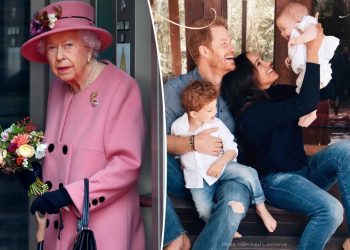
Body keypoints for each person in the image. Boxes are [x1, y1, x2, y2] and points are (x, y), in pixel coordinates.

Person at [20, 1, 145, 249]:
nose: (59, 57)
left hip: (101, 227)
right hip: (60, 227)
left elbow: (127, 165)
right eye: (52, 48)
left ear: (89, 47)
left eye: (68, 45)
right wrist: (35, 171)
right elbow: (58, 150)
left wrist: (69, 195)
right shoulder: (58, 87)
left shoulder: (121, 87)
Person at [222, 24, 350, 250]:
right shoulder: (251, 114)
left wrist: (304, 66)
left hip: (305, 170)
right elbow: (305, 103)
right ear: (245, 79)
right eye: (259, 64)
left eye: (262, 59)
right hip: (277, 181)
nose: (268, 62)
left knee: (346, 152)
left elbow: (325, 92)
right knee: (331, 211)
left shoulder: (276, 94)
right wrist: (311, 49)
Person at [164, 16, 251, 250]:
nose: (232, 47)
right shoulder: (174, 90)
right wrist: (194, 143)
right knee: (147, 160)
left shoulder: (237, 87)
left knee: (234, 205)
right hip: (188, 176)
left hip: (226, 173)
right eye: (224, 43)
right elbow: (155, 142)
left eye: (230, 42)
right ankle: (174, 237)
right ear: (204, 50)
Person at [171, 80, 276, 232]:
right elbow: (177, 151)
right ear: (194, 113)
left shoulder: (217, 124)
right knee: (203, 210)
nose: (214, 112)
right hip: (197, 179)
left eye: (215, 107)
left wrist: (220, 164)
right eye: (209, 110)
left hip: (222, 166)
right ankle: (221, 226)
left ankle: (260, 206)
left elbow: (232, 148)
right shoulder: (178, 127)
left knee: (249, 173)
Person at [276, 2, 339, 127]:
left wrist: (297, 40)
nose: (282, 34)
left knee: (309, 89)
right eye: (280, 31)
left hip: (318, 66)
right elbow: (301, 51)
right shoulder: (298, 33)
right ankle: (311, 112)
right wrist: (290, 58)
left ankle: (311, 112)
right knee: (305, 90)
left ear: (297, 20)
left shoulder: (307, 24)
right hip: (309, 67)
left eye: (283, 28)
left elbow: (313, 34)